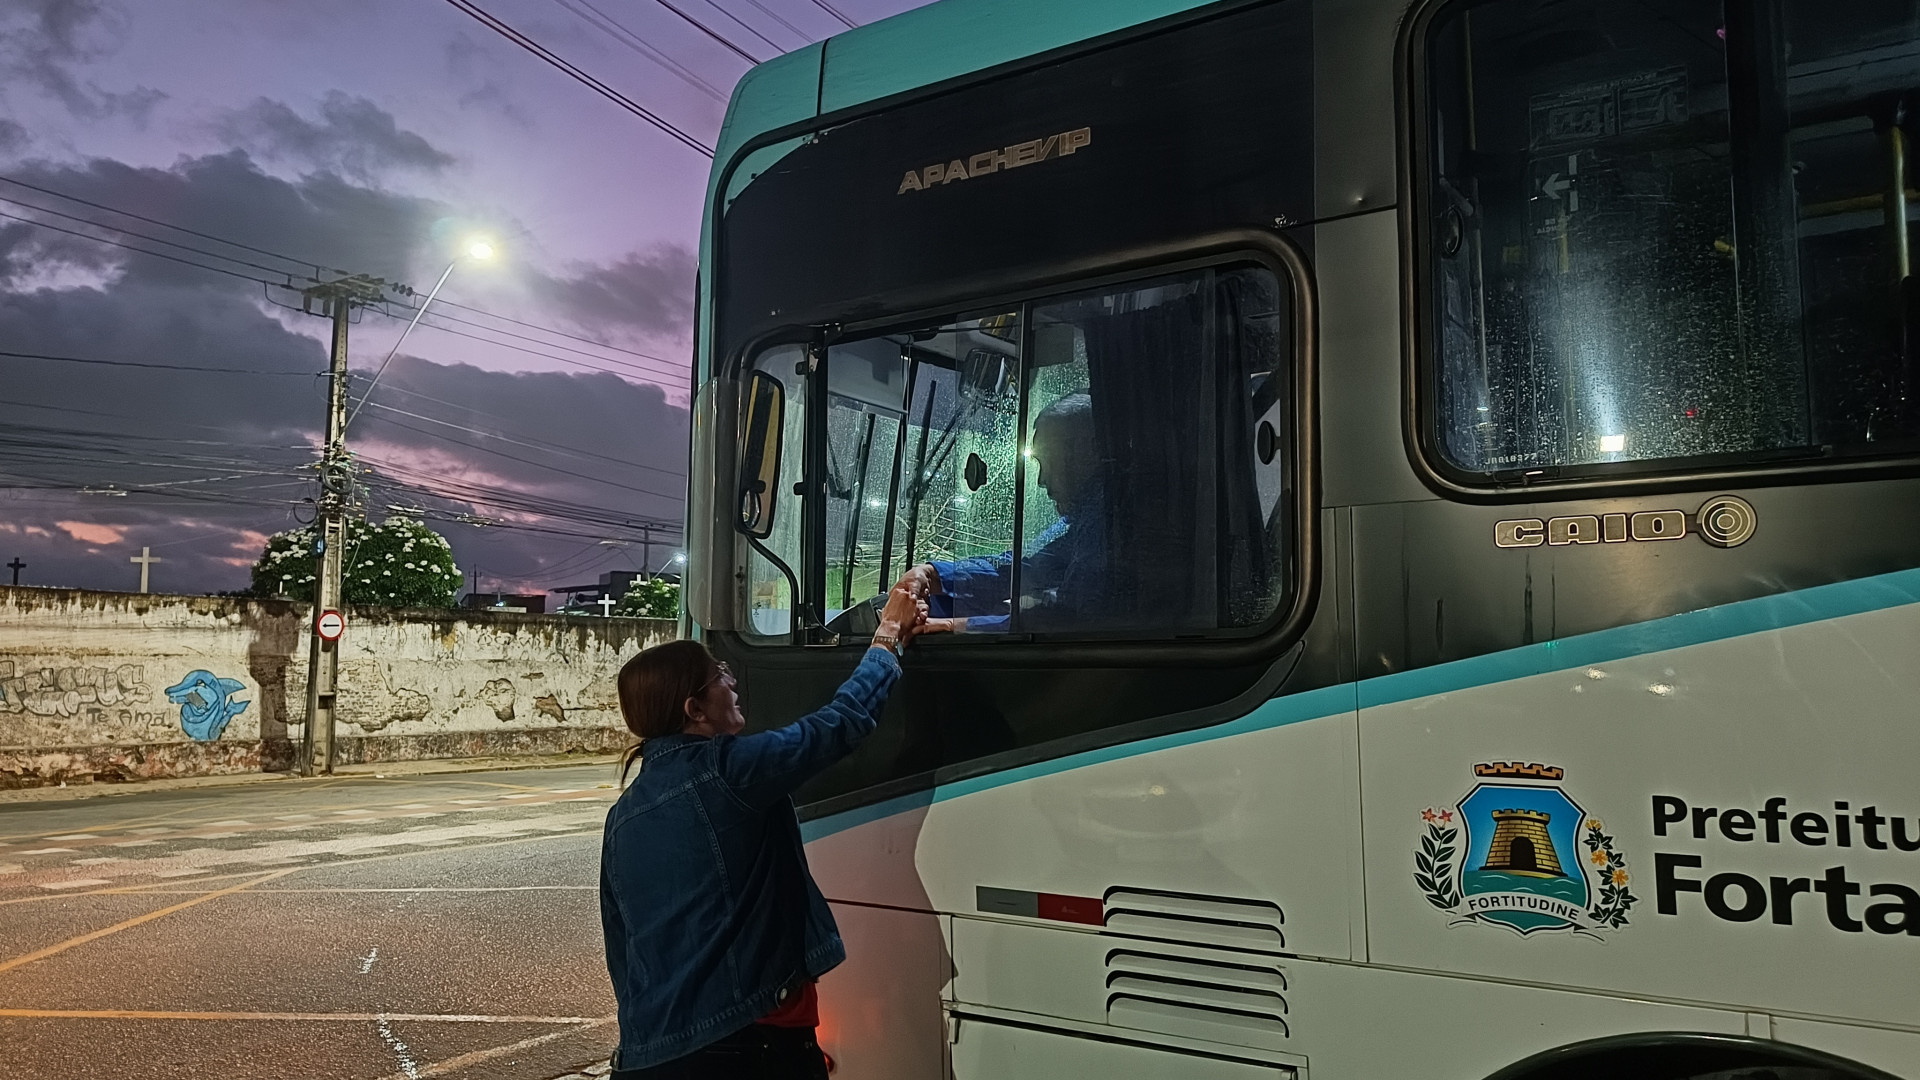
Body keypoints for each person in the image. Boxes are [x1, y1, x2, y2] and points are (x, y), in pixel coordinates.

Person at [599, 571, 944, 1079]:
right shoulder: (726, 769)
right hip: (745, 1047)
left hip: (652, 1054)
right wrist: (887, 636)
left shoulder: (623, 815)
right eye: (719, 674)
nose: (732, 681)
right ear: (695, 709)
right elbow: (839, 724)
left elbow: (622, 950)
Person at [906, 391, 1107, 631]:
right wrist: (933, 574)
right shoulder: (1082, 522)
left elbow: (1068, 619)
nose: (1042, 480)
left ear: (1090, 450)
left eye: (1050, 462)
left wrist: (952, 626)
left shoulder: (1106, 524)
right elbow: (1026, 566)